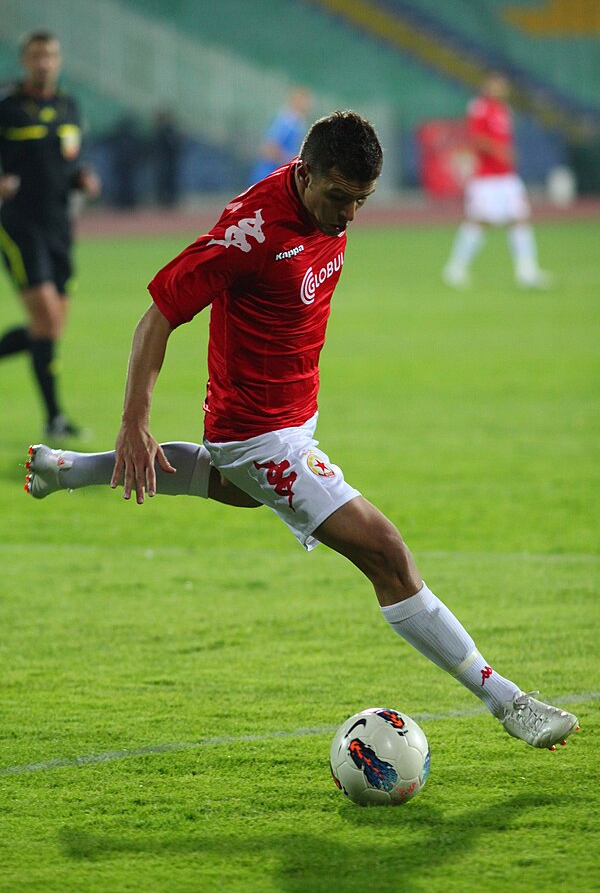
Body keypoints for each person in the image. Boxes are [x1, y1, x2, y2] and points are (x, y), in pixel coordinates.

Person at [25, 110, 578, 752]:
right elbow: (158, 314)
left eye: (361, 203)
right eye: (339, 199)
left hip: (291, 415)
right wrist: (133, 420)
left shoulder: (324, 200)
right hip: (260, 433)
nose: (347, 217)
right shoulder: (252, 231)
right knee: (387, 554)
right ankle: (511, 704)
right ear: (304, 172)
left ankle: (64, 469)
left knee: (233, 488)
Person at [0, 30, 101, 438]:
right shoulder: (7, 106)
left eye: (50, 55)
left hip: (60, 224)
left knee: (51, 327)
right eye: (36, 55)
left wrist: (84, 180)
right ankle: (55, 418)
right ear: (25, 59)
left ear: (58, 61)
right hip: (19, 224)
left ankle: (54, 419)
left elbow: (73, 160)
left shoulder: (69, 106)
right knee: (44, 316)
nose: (44, 62)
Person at [442, 71, 551, 290]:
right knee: (481, 221)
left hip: (506, 177)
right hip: (486, 178)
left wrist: (505, 154)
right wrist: (499, 150)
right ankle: (455, 268)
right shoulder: (480, 106)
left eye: (502, 84)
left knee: (520, 218)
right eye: (496, 84)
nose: (500, 88)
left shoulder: (503, 110)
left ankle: (527, 272)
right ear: (487, 85)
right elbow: (476, 137)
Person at [249, 86, 312, 185]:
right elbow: (268, 147)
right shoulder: (286, 121)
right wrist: (291, 163)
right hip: (268, 177)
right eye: (304, 101)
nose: (307, 105)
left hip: (278, 180)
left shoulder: (298, 122)